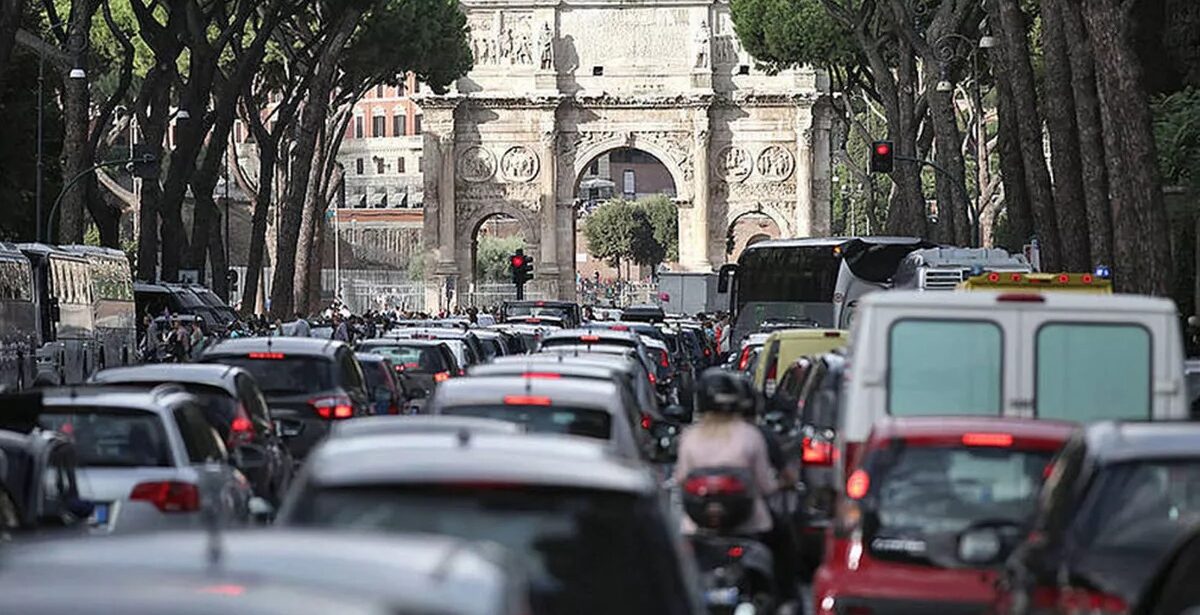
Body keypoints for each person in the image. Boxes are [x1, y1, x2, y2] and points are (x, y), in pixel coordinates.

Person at [674, 368, 797, 602]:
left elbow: (681, 478)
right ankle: (786, 600)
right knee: (784, 543)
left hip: (697, 528)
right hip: (750, 525)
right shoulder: (750, 435)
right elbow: (766, 484)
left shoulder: (690, 437)